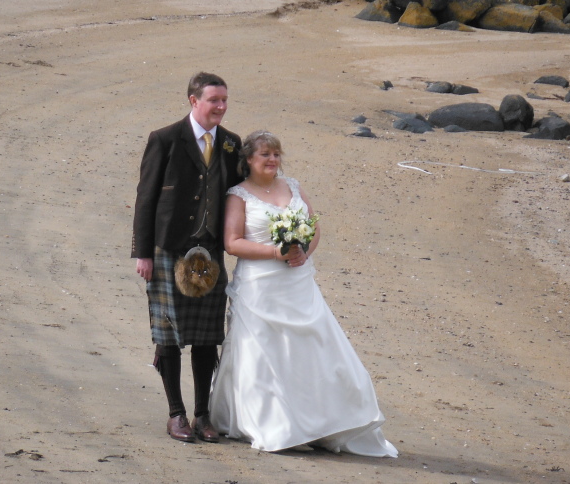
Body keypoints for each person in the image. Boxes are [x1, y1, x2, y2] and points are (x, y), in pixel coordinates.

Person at [209, 130, 398, 456]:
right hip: (260, 286)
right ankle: (275, 422)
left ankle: (319, 422)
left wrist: (302, 253)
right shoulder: (238, 195)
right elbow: (232, 242)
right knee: (265, 352)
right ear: (249, 160)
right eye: (265, 154)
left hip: (298, 284)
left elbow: (313, 226)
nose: (272, 160)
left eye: (276, 154)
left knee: (311, 349)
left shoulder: (292, 186)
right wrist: (274, 253)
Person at [131, 72, 243, 443]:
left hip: (209, 254)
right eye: (214, 100)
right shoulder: (164, 139)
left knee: (207, 336)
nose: (221, 107)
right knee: (169, 334)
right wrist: (143, 253)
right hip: (169, 249)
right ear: (193, 101)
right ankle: (176, 414)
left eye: (225, 100)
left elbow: (238, 195)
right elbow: (146, 198)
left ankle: (202, 415)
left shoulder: (230, 143)